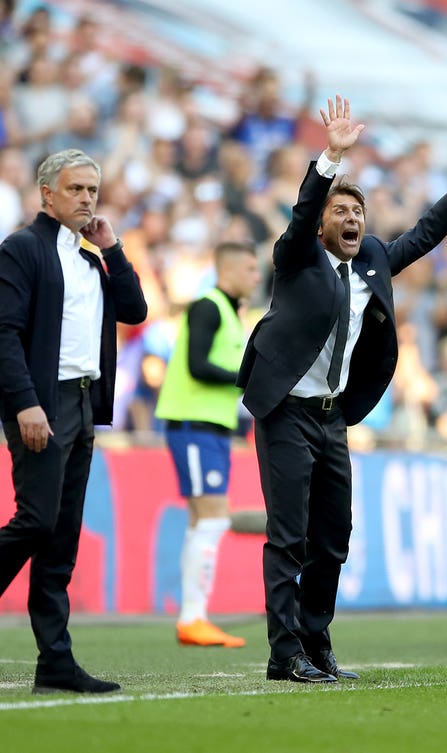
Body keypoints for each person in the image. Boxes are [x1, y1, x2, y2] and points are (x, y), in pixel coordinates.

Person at [237, 95, 447, 683]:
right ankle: (284, 653)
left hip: (331, 417)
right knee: (289, 535)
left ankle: (316, 642)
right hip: (286, 413)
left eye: (359, 212)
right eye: (341, 211)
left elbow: (421, 237)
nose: (352, 220)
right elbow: (299, 214)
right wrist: (329, 158)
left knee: (333, 538)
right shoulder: (296, 256)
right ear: (323, 221)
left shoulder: (371, 258)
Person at [0, 148, 147, 694]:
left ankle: (55, 660)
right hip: (41, 403)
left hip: (81, 402)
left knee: (62, 535)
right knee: (37, 519)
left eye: (92, 190)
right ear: (47, 194)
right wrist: (26, 403)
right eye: (76, 189)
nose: (87, 199)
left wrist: (114, 248)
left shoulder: (90, 256)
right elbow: (3, 333)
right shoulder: (21, 249)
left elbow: (136, 310)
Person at [155, 240, 261, 647]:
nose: (255, 277)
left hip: (210, 428)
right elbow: (197, 366)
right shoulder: (207, 306)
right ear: (227, 270)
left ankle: (193, 618)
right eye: (250, 269)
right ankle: (192, 617)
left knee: (203, 521)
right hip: (193, 424)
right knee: (212, 520)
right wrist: (247, 378)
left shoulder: (230, 315)